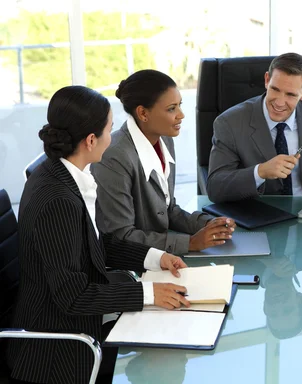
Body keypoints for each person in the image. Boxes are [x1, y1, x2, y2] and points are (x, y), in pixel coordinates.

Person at [7, 86, 191, 384]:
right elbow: (73, 296)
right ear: (91, 140)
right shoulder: (58, 199)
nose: (113, 136)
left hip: (74, 324)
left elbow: (92, 244)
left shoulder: (61, 173)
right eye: (109, 129)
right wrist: (148, 294)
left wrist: (155, 258)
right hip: (57, 350)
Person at [92, 70, 235, 255]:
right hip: (131, 265)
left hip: (159, 255)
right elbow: (121, 236)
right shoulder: (114, 157)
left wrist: (209, 224)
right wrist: (190, 243)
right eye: (171, 108)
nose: (181, 115)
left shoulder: (164, 139)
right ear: (143, 113)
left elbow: (168, 210)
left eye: (179, 105)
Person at [207, 52, 302, 203]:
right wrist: (260, 172)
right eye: (275, 89)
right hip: (258, 213)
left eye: (290, 95)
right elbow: (215, 187)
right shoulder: (229, 122)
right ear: (267, 80)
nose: (279, 103)